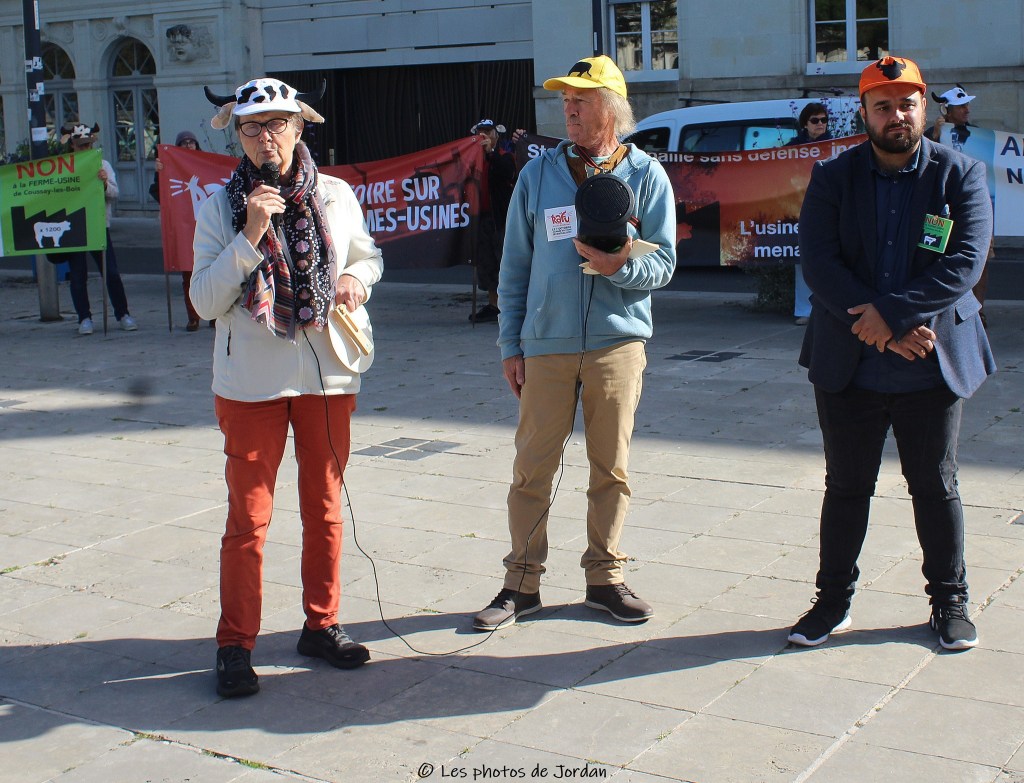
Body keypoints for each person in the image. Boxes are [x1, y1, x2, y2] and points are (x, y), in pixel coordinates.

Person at [789, 56, 995, 652]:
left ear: (923, 106)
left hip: (932, 361)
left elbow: (965, 262)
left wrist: (896, 316)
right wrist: (881, 324)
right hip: (850, 362)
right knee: (846, 486)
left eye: (907, 103)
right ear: (865, 113)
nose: (896, 115)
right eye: (883, 105)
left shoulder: (961, 175)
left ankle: (949, 603)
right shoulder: (833, 178)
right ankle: (832, 603)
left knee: (935, 484)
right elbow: (820, 263)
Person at [191, 77, 383, 697]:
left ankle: (321, 624)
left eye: (277, 124)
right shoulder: (219, 207)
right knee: (249, 518)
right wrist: (249, 236)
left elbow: (367, 256)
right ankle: (235, 643)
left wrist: (355, 277)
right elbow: (203, 299)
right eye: (252, 127)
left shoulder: (335, 195)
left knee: (324, 508)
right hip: (251, 383)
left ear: (300, 127)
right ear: (237, 136)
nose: (266, 136)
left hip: (327, 375)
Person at [473, 55, 676, 631]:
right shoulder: (538, 176)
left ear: (612, 110)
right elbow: (515, 267)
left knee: (610, 469)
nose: (569, 109)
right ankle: (520, 584)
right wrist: (511, 346)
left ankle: (604, 579)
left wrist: (618, 267)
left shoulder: (647, 175)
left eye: (581, 100)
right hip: (546, 344)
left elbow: (663, 265)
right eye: (565, 100)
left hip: (618, 345)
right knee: (531, 468)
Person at [56, 123, 137, 335]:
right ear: (72, 146)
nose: (84, 149)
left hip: (98, 225)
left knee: (110, 272)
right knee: (78, 274)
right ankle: (84, 317)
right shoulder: (64, 167)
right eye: (80, 146)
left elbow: (115, 194)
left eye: (87, 145)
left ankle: (123, 314)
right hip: (74, 227)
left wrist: (103, 184)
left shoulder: (103, 165)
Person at [927, 85, 991, 326]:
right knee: (932, 255)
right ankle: (936, 307)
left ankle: (978, 310)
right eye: (961, 106)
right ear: (947, 110)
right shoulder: (929, 134)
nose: (967, 110)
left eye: (967, 105)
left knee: (980, 258)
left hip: (969, 209)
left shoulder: (977, 136)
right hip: (937, 210)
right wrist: (935, 134)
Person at [153, 130, 212, 331]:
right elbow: (158, 192)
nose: (188, 145)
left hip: (208, 228)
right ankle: (193, 316)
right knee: (189, 275)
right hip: (185, 229)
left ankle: (214, 314)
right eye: (184, 143)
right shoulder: (173, 168)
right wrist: (161, 172)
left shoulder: (206, 166)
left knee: (212, 273)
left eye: (191, 142)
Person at [786, 103, 833, 325]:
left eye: (824, 120)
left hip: (829, 209)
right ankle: (804, 310)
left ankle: (829, 307)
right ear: (805, 123)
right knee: (802, 260)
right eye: (815, 120)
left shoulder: (835, 145)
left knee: (830, 259)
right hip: (799, 208)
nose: (821, 124)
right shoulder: (792, 148)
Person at [468, 119, 516, 323]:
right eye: (480, 133)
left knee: (503, 261)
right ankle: (493, 305)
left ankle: (509, 305)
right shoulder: (471, 160)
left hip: (501, 220)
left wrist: (490, 153)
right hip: (481, 219)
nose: (484, 136)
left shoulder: (504, 156)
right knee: (486, 263)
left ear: (496, 134)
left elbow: (508, 172)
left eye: (488, 132)